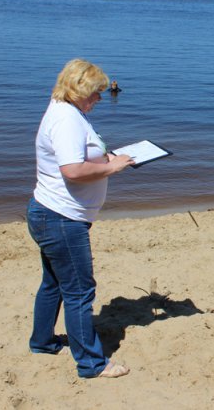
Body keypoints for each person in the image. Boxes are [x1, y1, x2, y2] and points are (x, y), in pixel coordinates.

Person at [26, 59, 134, 378]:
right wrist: (113, 167)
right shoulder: (66, 119)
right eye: (96, 93)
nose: (100, 98)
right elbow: (72, 171)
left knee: (54, 283)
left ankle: (42, 341)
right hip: (61, 219)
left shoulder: (67, 111)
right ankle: (90, 363)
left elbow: (79, 155)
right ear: (79, 90)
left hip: (51, 213)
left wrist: (108, 157)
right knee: (79, 291)